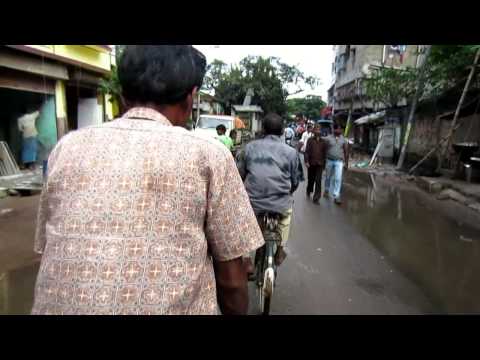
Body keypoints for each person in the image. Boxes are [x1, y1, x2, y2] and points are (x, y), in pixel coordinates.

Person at [31, 45, 264, 315]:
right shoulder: (209, 155)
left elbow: (47, 246)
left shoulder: (66, 147)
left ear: (122, 96)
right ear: (191, 98)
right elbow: (232, 280)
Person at [237, 113, 302, 274]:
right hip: (280, 201)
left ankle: (245, 259)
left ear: (263, 129)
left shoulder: (249, 148)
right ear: (282, 131)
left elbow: (239, 175)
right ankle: (280, 249)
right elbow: (296, 180)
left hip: (254, 201)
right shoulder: (291, 152)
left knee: (245, 221)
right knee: (285, 218)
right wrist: (288, 192)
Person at [324, 124, 349, 205]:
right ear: (334, 130)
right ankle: (327, 189)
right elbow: (324, 149)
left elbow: (346, 151)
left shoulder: (344, 140)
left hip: (339, 161)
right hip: (329, 160)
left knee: (338, 178)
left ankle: (336, 195)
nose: (339, 131)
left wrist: (346, 163)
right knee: (328, 176)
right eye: (338, 129)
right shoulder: (328, 138)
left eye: (340, 129)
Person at [304, 125, 328, 204]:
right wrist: (306, 161)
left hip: (320, 164)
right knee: (311, 179)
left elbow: (325, 154)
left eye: (319, 130)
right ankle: (309, 189)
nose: (318, 131)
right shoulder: (310, 140)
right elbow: (306, 152)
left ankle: (316, 198)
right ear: (313, 131)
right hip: (311, 163)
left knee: (318, 181)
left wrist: (325, 164)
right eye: (316, 130)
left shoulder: (324, 142)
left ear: (321, 132)